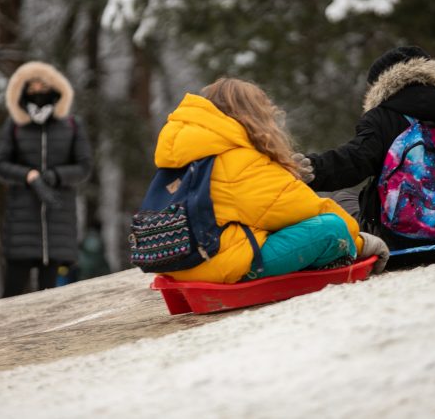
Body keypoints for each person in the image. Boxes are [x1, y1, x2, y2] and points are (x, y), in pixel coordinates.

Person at [151, 77, 388, 284]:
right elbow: (303, 209)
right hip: (221, 265)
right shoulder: (238, 158)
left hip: (182, 265)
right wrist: (359, 242)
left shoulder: (189, 154)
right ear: (252, 116)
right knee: (332, 228)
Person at [306, 46, 435, 250]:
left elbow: (352, 162)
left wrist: (309, 168)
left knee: (342, 197)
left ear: (379, 85)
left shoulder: (381, 119)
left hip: (395, 240)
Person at [0, 61, 92, 297]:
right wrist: (28, 175)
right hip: (21, 224)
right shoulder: (14, 126)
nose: (38, 92)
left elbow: (84, 166)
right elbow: (0, 164)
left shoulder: (71, 125)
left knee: (54, 299)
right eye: (32, 87)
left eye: (43, 86)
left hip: (59, 222)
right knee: (12, 296)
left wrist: (55, 176)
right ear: (23, 91)